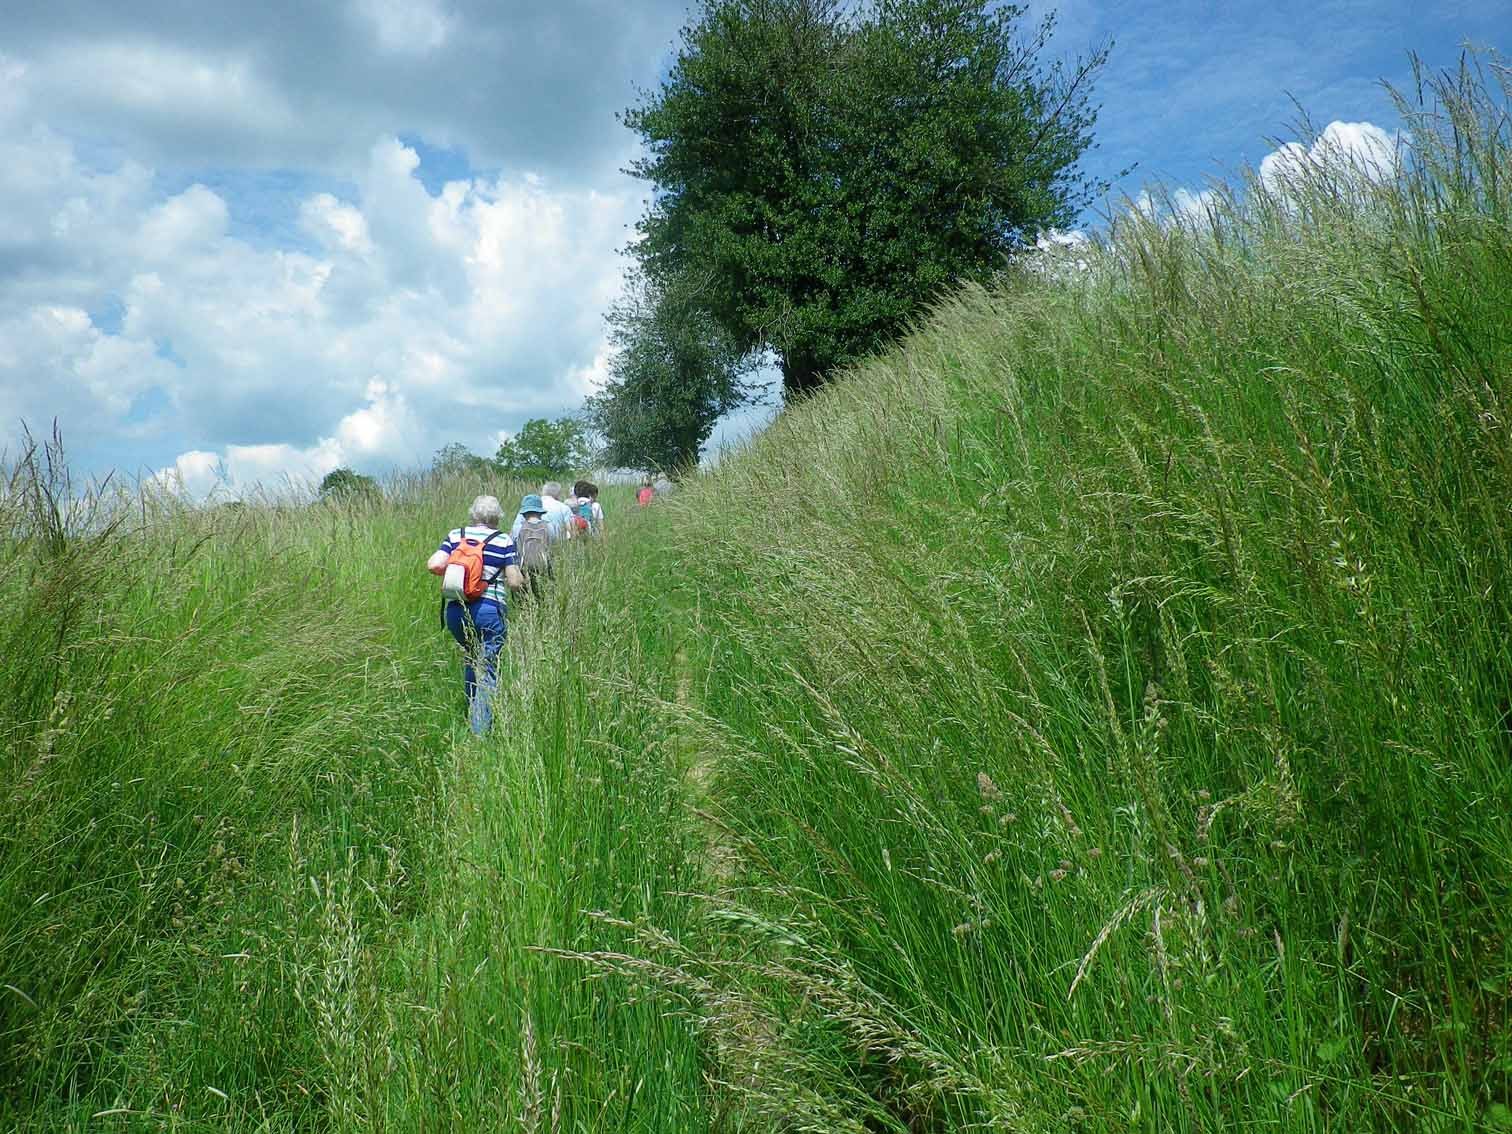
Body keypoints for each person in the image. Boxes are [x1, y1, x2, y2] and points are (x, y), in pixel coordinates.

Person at [426, 495, 523, 735]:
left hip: (457, 610)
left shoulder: (455, 536)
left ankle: (471, 709)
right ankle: (479, 733)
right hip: (490, 610)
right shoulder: (503, 540)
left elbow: (434, 565)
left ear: (473, 514)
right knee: (488, 668)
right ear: (497, 516)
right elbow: (514, 582)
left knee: (471, 658)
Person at [510, 493, 557, 598]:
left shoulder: (518, 528)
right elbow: (553, 548)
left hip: (523, 570)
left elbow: (513, 550)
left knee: (523, 598)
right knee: (543, 597)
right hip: (544, 569)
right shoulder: (549, 527)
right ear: (540, 512)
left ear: (524, 513)